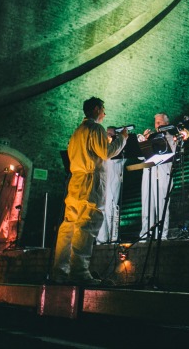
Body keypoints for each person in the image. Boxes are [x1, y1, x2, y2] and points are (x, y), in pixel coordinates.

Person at [51, 97, 127, 285]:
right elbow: (106, 153)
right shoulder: (95, 128)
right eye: (103, 109)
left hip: (75, 181)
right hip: (90, 181)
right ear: (95, 110)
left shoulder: (77, 132)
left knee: (68, 226)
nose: (104, 113)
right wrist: (122, 140)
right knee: (87, 225)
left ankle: (60, 272)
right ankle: (79, 271)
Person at [139, 113, 176, 239]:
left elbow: (171, 154)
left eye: (160, 122)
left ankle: (162, 234)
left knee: (161, 206)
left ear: (166, 123)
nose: (157, 125)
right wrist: (144, 141)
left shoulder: (171, 138)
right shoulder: (150, 138)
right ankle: (145, 233)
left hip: (163, 175)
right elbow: (140, 156)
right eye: (156, 122)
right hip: (148, 174)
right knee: (147, 205)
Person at [97, 126, 126, 244]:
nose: (107, 135)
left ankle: (113, 238)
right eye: (106, 133)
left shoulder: (118, 148)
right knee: (101, 209)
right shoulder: (103, 147)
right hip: (102, 182)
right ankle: (101, 238)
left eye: (110, 133)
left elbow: (116, 159)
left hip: (113, 181)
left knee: (112, 209)